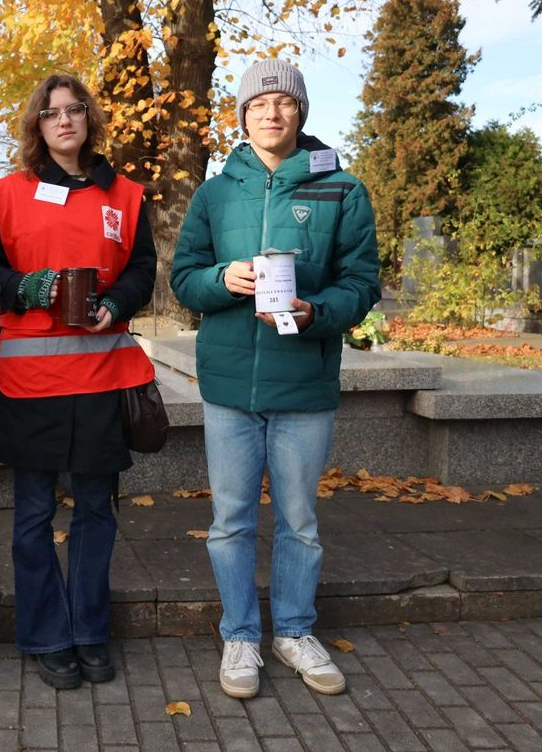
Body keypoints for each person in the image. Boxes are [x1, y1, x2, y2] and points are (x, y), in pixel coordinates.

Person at [170, 59, 380, 699]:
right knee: (231, 520)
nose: (271, 112)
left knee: (300, 522)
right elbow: (184, 278)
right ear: (242, 116)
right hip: (231, 386)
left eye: (283, 102)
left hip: (303, 383)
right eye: (258, 103)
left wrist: (319, 314)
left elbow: (362, 283)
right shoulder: (214, 193)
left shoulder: (341, 188)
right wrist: (220, 281)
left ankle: (292, 631)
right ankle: (239, 634)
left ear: (300, 112)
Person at [0, 74, 157, 689]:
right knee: (31, 514)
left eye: (75, 110)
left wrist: (117, 302)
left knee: (97, 511)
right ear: (37, 125)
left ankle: (88, 630)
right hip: (31, 381)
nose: (64, 121)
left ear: (89, 119)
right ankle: (48, 634)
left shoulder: (126, 195)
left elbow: (143, 268)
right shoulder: (5, 194)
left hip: (102, 375)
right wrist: (23, 288)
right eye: (51, 113)